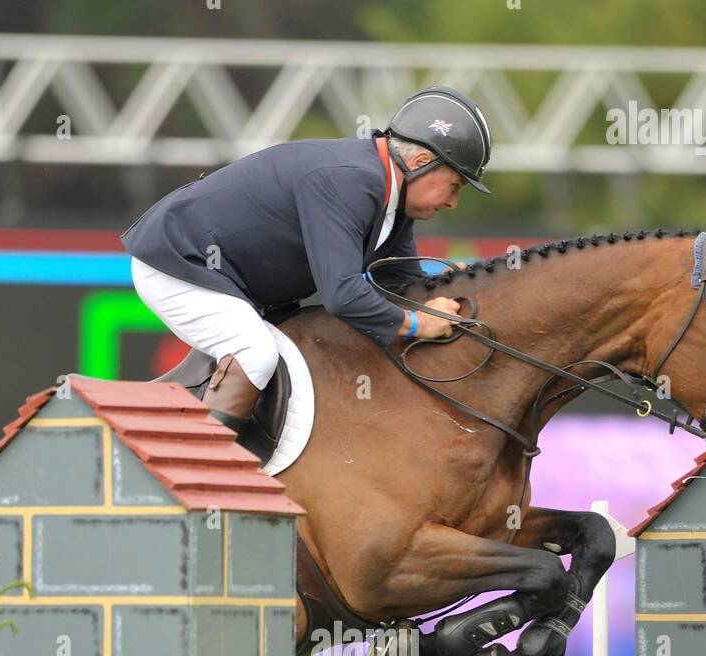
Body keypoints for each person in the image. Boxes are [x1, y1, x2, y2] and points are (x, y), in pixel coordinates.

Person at [121, 86, 492, 437]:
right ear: (420, 162)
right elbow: (342, 295)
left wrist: (443, 288)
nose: (452, 202)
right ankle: (200, 480)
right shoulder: (351, 181)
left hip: (227, 278)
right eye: (455, 185)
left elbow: (396, 284)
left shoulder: (392, 197)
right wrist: (415, 324)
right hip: (178, 262)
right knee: (257, 354)